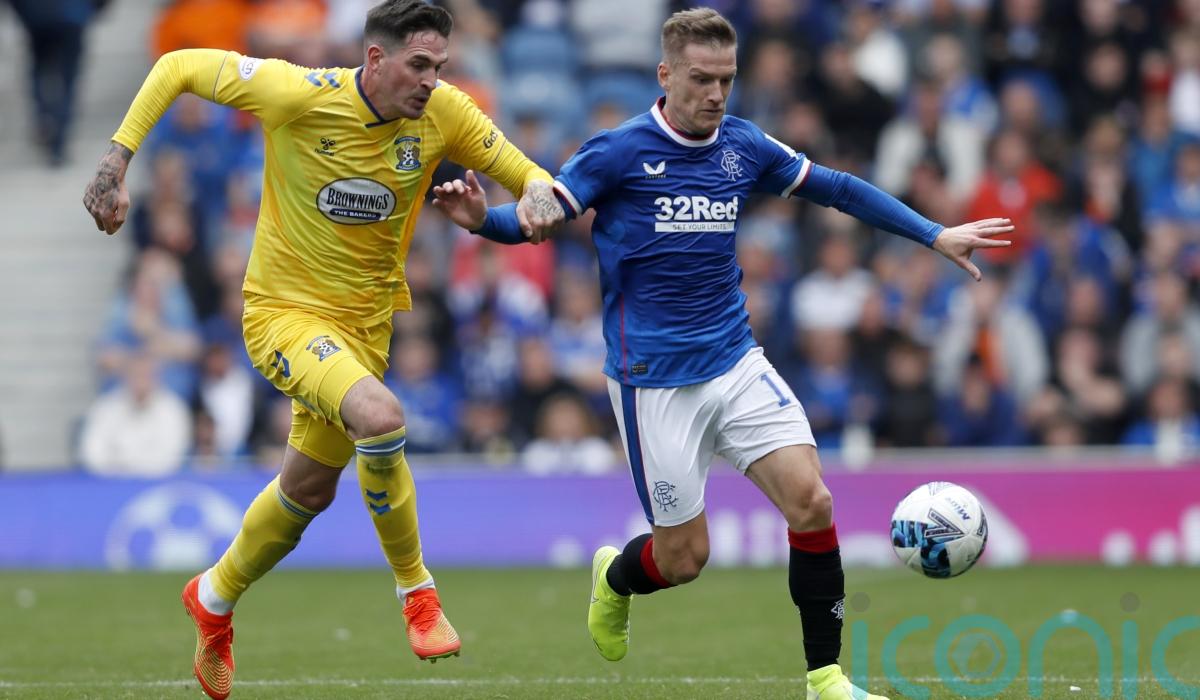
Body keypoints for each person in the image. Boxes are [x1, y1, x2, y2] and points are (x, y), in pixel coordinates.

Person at [431, 8, 1011, 699]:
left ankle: (826, 679)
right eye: (701, 79)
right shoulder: (617, 151)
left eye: (726, 80)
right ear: (665, 74)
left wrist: (933, 233)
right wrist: (485, 221)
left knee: (812, 502)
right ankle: (616, 576)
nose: (715, 94)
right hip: (654, 382)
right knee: (684, 559)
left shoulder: (742, 144)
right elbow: (542, 216)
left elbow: (836, 188)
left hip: (735, 361)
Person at [81, 1, 564, 698]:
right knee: (381, 416)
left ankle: (213, 598)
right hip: (283, 317)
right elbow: (179, 65)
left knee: (306, 492)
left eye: (440, 66)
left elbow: (528, 175)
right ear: (375, 58)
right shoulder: (297, 94)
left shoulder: (447, 113)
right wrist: (117, 160)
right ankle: (418, 595)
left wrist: (539, 201)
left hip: (365, 333)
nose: (431, 80)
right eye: (419, 65)